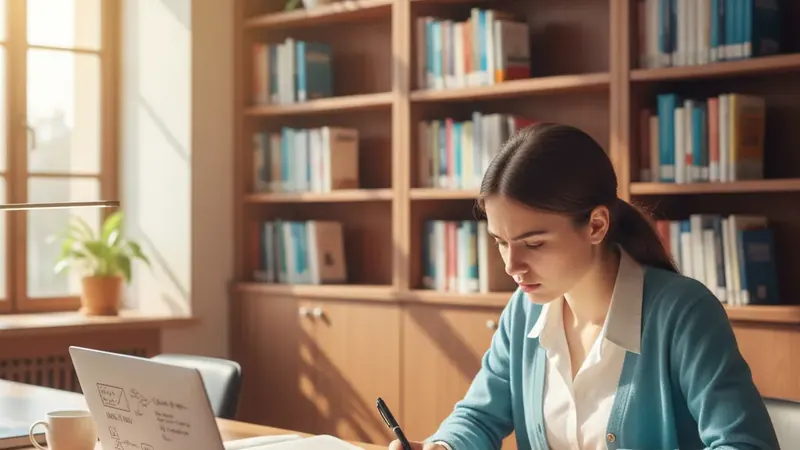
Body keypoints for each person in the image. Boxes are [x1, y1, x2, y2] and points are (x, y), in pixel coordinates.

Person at [389, 123, 778, 450]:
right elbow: (478, 416)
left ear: (596, 225)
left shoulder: (683, 313)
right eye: (501, 242)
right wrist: (443, 446)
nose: (512, 266)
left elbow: (743, 444)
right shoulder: (524, 312)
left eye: (534, 244)